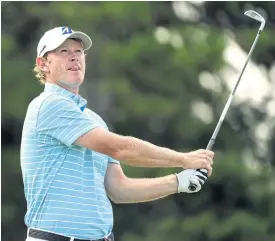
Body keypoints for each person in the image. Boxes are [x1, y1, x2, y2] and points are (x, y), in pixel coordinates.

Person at [20, 26, 214, 241]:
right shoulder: (48, 105)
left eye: (78, 52)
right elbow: (120, 148)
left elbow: (119, 189)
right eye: (64, 51)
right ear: (43, 63)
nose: (74, 58)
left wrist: (179, 182)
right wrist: (183, 159)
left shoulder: (94, 121)